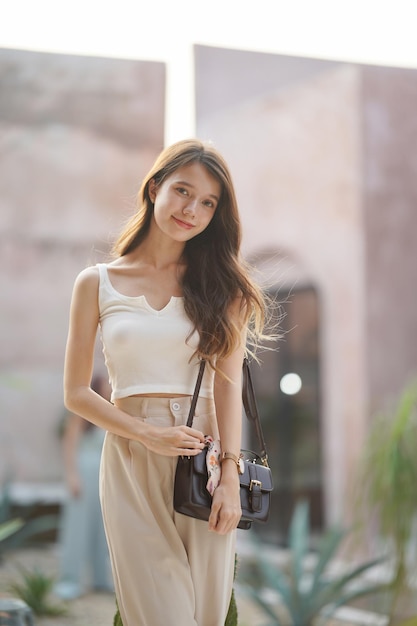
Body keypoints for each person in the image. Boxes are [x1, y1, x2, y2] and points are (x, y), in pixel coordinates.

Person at [63, 139, 269, 625]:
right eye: (182, 191)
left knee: (202, 615)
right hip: (132, 457)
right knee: (162, 615)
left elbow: (225, 387)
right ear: (154, 187)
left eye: (207, 203)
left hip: (207, 460)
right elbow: (75, 393)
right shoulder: (97, 282)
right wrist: (146, 433)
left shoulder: (223, 287)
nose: (191, 210)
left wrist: (231, 482)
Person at [54, 374, 113, 600]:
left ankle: (101, 578)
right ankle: (70, 580)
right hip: (83, 474)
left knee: (104, 529)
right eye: (107, 383)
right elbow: (69, 443)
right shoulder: (83, 410)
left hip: (105, 476)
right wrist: (71, 476)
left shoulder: (113, 412)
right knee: (77, 527)